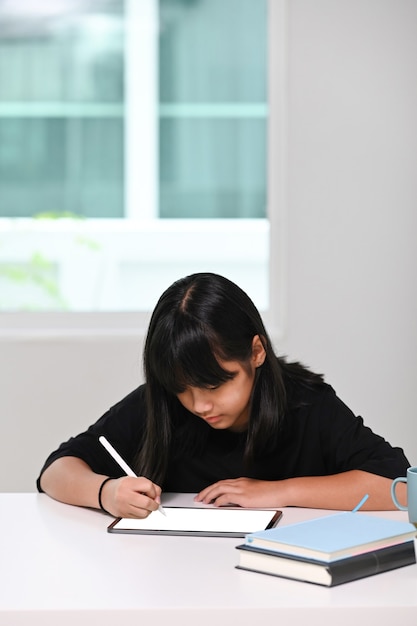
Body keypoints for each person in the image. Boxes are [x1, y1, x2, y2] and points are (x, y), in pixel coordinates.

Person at [38, 272, 409, 518]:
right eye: (183, 387)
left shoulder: (307, 405)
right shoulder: (163, 403)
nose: (199, 405)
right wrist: (106, 493)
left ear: (256, 352)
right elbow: (56, 470)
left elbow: (401, 489)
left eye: (216, 385)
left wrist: (277, 492)